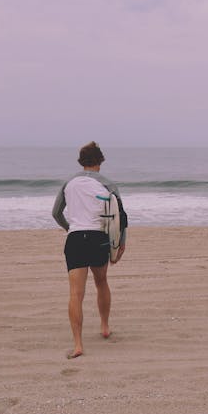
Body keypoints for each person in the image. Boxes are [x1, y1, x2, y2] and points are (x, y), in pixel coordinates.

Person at [52, 141, 127, 358]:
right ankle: (104, 326)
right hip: (98, 239)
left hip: (75, 239)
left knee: (76, 294)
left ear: (81, 162)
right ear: (100, 161)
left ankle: (78, 345)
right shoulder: (108, 184)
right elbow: (120, 217)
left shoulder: (69, 183)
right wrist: (120, 243)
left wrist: (70, 228)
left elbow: (56, 213)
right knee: (101, 281)